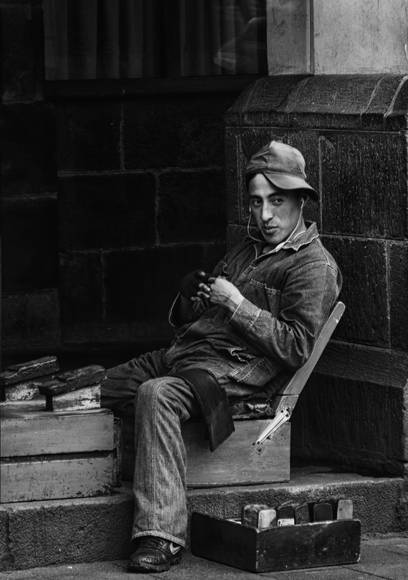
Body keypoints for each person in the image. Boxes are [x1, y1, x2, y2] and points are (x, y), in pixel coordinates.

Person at [100, 140, 342, 573]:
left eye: (277, 201)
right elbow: (196, 319)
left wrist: (236, 304)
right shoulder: (245, 250)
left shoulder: (314, 266)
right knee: (93, 390)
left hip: (230, 375)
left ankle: (161, 535)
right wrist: (190, 298)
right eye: (256, 203)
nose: (265, 215)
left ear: (302, 201)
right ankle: (146, 467)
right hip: (184, 356)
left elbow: (297, 346)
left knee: (157, 395)